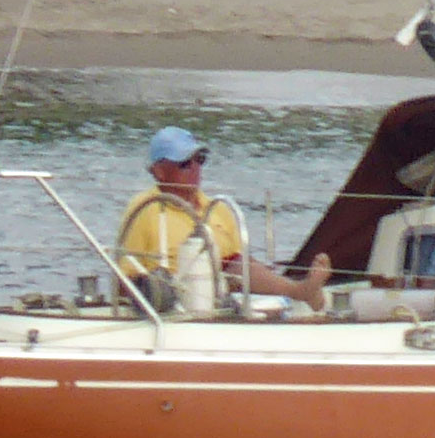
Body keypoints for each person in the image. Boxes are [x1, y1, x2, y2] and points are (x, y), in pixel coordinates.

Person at [116, 127, 330, 311]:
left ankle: (299, 290)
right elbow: (123, 280)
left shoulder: (218, 208)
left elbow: (240, 260)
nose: (195, 169)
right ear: (159, 171)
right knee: (232, 267)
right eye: (184, 164)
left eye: (200, 160)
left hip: (228, 294)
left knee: (238, 263)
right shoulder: (144, 209)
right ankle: (300, 291)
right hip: (178, 296)